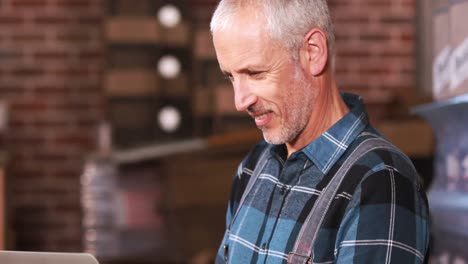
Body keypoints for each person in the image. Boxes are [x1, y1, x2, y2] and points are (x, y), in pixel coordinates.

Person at [210, 0, 430, 263]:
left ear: (313, 53)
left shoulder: (381, 181)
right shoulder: (252, 167)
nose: (240, 101)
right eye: (231, 77)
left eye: (255, 73)